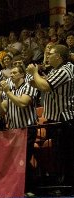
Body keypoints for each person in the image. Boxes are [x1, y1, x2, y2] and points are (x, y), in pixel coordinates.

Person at [27, 44, 74, 187]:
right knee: (58, 154)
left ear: (58, 56)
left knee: (67, 154)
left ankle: (68, 186)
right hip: (55, 119)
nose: (47, 56)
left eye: (50, 54)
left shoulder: (66, 69)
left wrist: (35, 73)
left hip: (65, 119)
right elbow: (40, 84)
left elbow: (45, 86)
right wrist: (35, 79)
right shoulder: (55, 70)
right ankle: (62, 183)